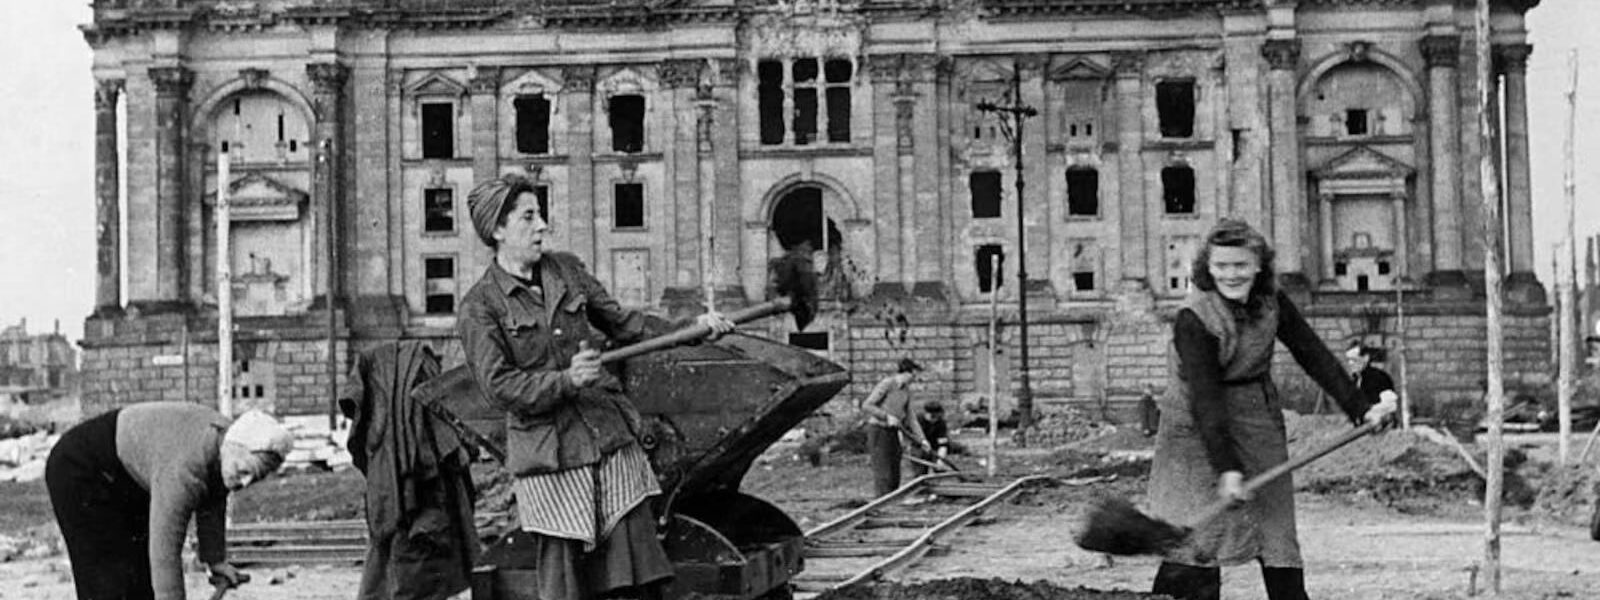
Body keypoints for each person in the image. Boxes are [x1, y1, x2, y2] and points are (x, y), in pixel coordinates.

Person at [457, 174, 733, 600]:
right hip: (550, 457)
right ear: (497, 229)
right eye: (528, 217)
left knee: (637, 573)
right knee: (567, 583)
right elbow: (499, 386)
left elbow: (625, 324)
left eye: (540, 214)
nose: (542, 225)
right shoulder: (480, 307)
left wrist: (691, 330)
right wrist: (566, 381)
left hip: (607, 437)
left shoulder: (566, 269)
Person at [1148, 219, 1396, 600]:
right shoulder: (1193, 318)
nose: (1232, 275)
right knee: (1198, 541)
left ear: (1259, 265)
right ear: (1208, 268)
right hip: (1195, 432)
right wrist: (1227, 469)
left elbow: (1311, 352)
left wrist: (1361, 408)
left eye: (1241, 265)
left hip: (1256, 415)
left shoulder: (1271, 301)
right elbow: (1206, 400)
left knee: (1276, 531)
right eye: (1222, 266)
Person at [45, 403, 293, 600]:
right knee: (108, 582)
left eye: (254, 478)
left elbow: (213, 500)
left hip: (125, 477)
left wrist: (214, 559)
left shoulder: (224, 448)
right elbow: (164, 549)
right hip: (80, 468)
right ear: (233, 447)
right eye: (243, 470)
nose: (245, 482)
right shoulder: (185, 467)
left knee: (140, 580)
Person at [862, 358, 925, 496]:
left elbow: (911, 417)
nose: (915, 379)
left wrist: (922, 439)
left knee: (894, 470)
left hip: (893, 432)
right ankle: (881, 502)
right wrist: (886, 416)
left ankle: (891, 500)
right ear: (907, 373)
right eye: (914, 375)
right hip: (878, 431)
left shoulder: (906, 391)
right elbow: (867, 405)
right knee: (883, 470)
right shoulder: (888, 384)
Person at [1344, 343, 1396, 413]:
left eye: (1354, 359)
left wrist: (1369, 411)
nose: (1350, 363)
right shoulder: (1354, 380)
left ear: (1366, 358)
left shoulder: (1380, 377)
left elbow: (1391, 406)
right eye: (1348, 360)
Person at [908, 401, 951, 477]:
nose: (935, 420)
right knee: (920, 471)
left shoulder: (941, 423)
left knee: (939, 468)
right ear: (926, 413)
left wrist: (940, 459)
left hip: (934, 449)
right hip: (918, 448)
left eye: (937, 417)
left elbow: (943, 444)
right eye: (932, 416)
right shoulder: (916, 421)